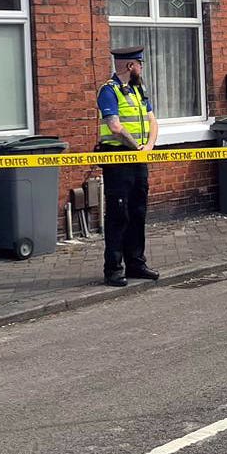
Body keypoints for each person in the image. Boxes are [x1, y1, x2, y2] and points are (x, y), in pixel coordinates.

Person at [97, 46, 158, 287]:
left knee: (138, 211)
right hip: (118, 158)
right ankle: (113, 269)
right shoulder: (108, 91)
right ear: (130, 66)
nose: (141, 68)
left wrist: (148, 148)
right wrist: (137, 148)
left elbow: (153, 121)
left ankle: (136, 263)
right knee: (118, 214)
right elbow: (115, 127)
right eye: (139, 64)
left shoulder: (138, 90)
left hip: (139, 157)